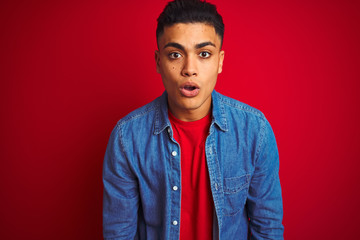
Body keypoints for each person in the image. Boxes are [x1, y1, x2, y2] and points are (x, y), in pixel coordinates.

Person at [102, 0, 284, 239]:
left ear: (219, 61)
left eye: (204, 54)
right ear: (159, 62)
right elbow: (119, 233)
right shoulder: (127, 138)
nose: (189, 69)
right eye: (175, 54)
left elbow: (267, 229)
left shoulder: (254, 131)